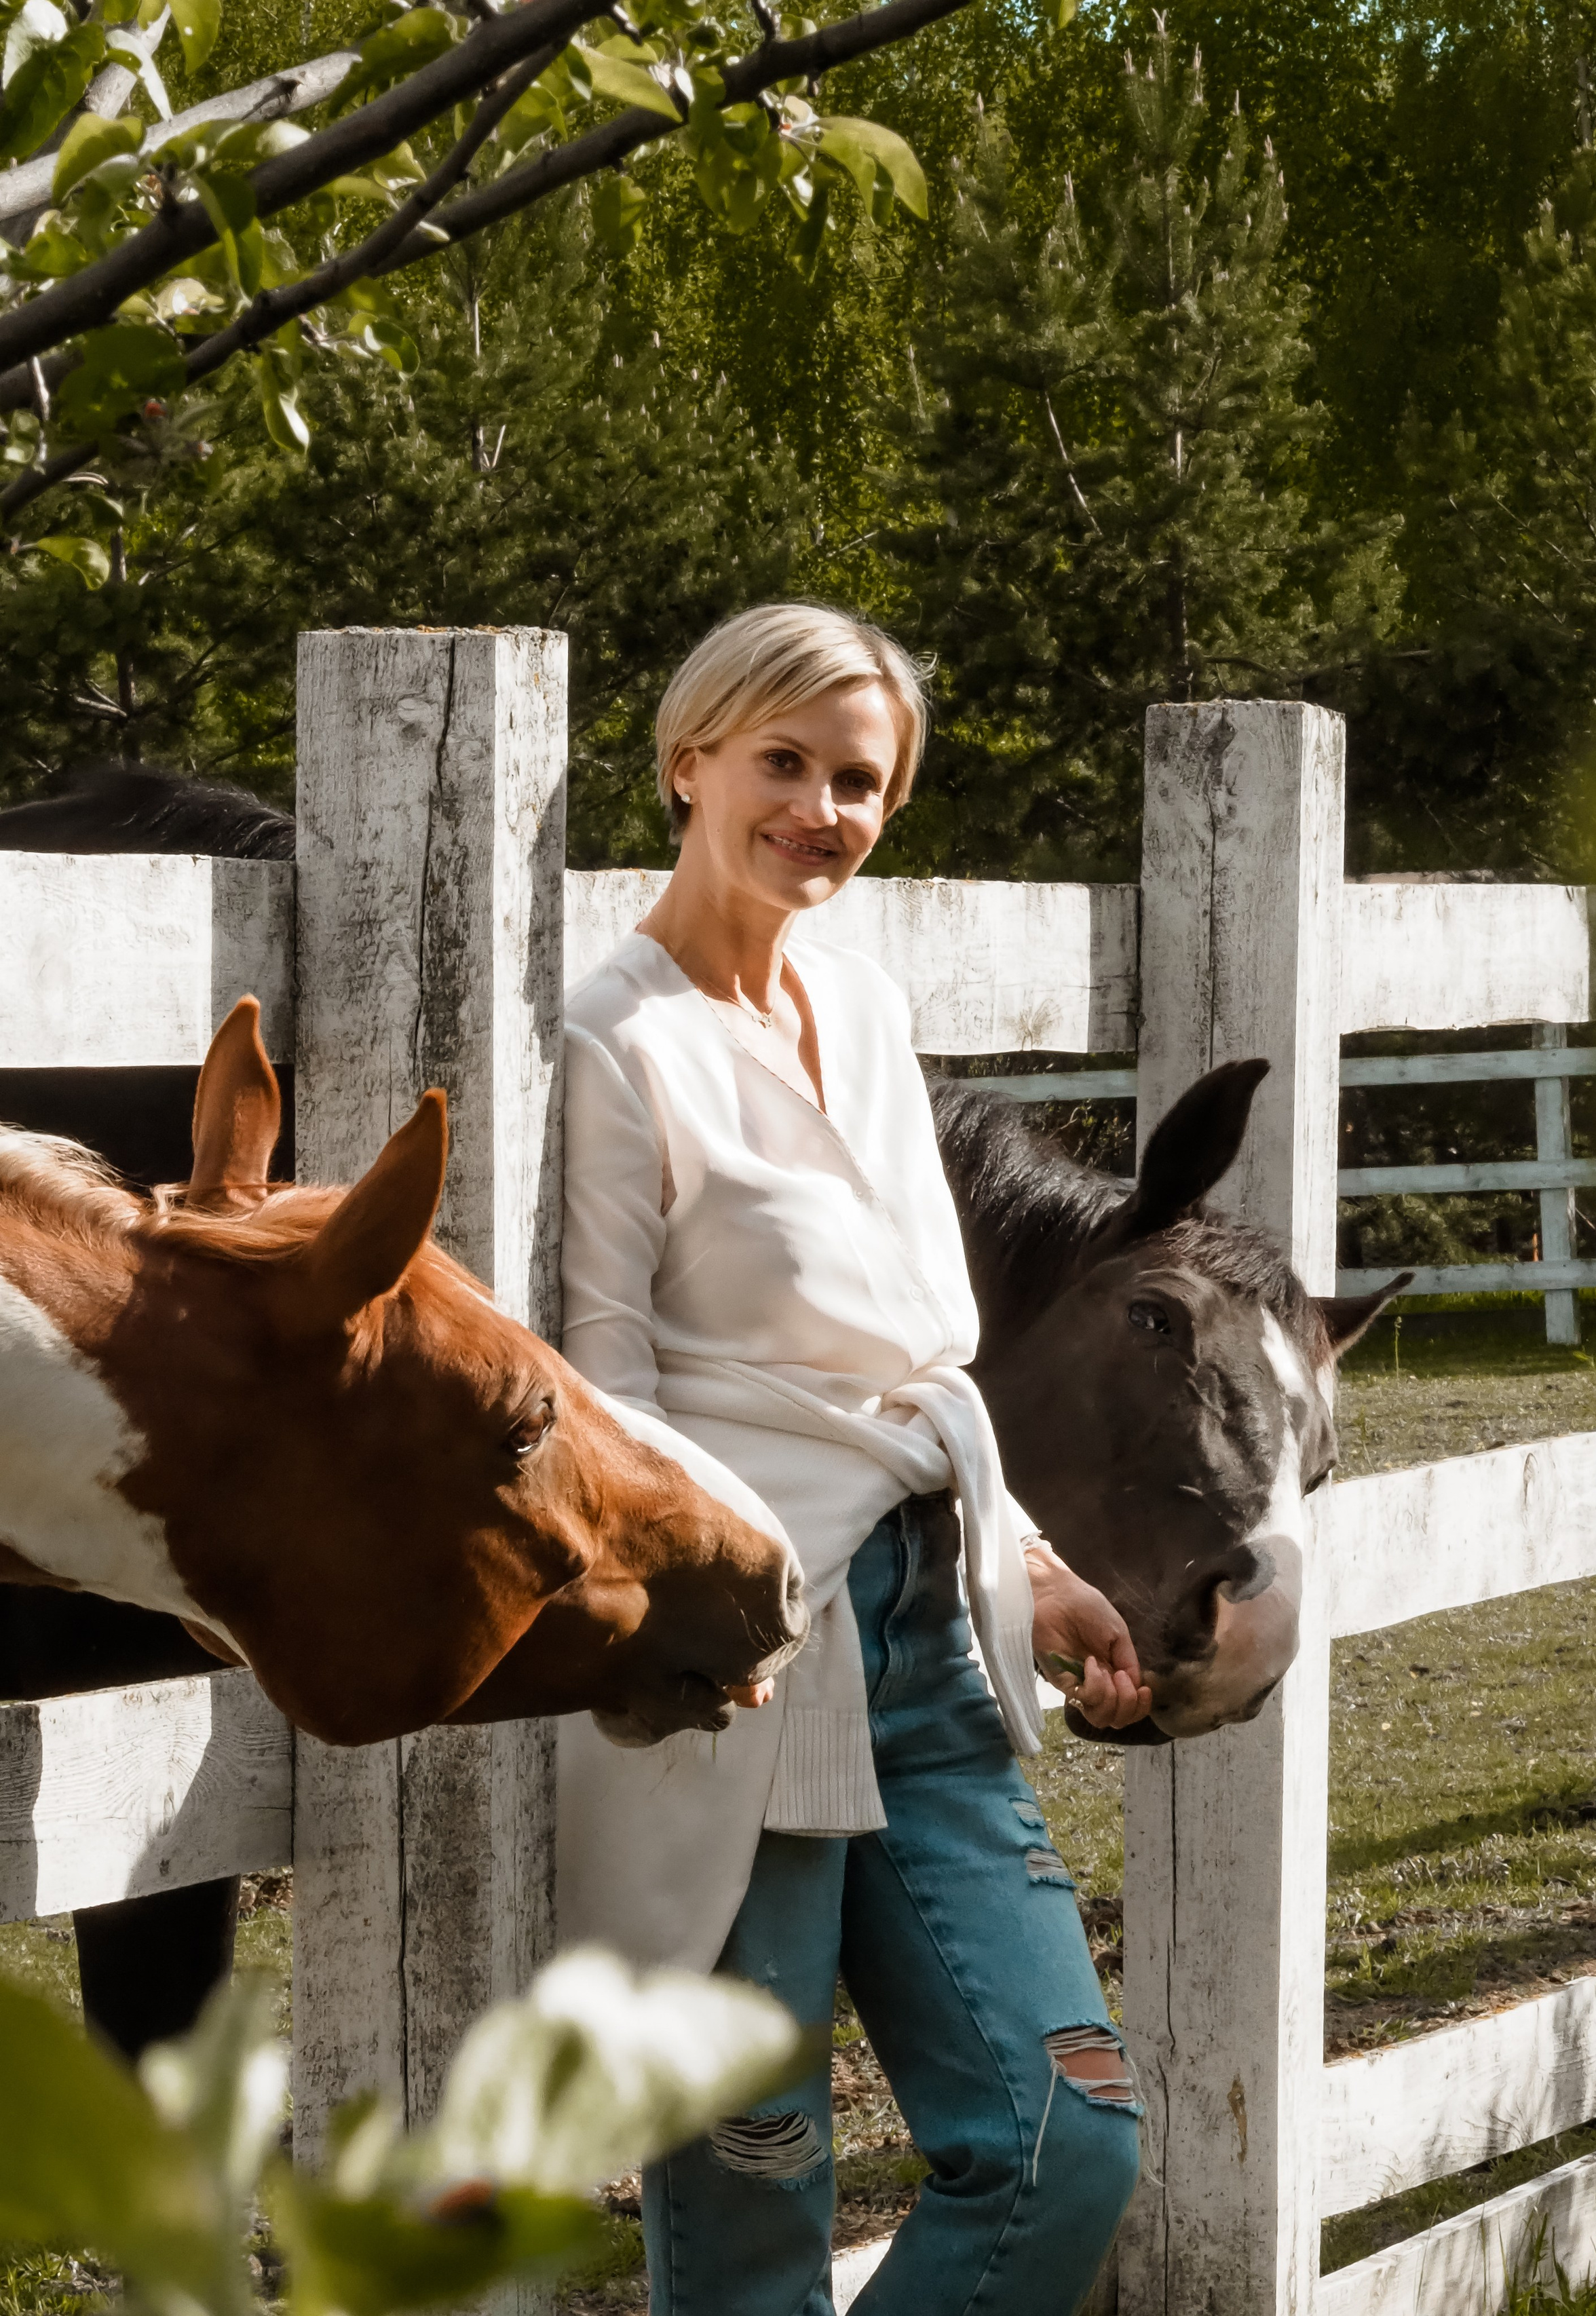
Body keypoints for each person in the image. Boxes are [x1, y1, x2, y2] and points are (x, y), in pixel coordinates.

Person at [557, 604, 1147, 2316]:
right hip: (736, 1652)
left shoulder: (862, 1000)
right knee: (758, 2193)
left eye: (860, 782)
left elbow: (916, 1360)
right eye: (784, 764)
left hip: (924, 1638)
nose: (822, 809)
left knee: (1063, 2138)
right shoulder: (614, 1037)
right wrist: (689, 1621)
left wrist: (1026, 1564)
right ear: (689, 762)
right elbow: (604, 1380)